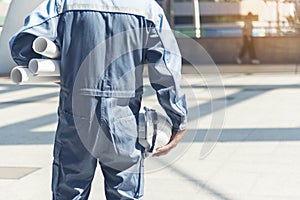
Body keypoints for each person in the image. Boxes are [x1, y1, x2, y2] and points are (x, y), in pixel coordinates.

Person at [9, 0, 188, 199]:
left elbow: (22, 42)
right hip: (124, 119)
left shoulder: (64, 3)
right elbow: (167, 70)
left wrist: (54, 69)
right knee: (125, 194)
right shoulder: (148, 8)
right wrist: (178, 118)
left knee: (69, 192)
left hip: (76, 116)